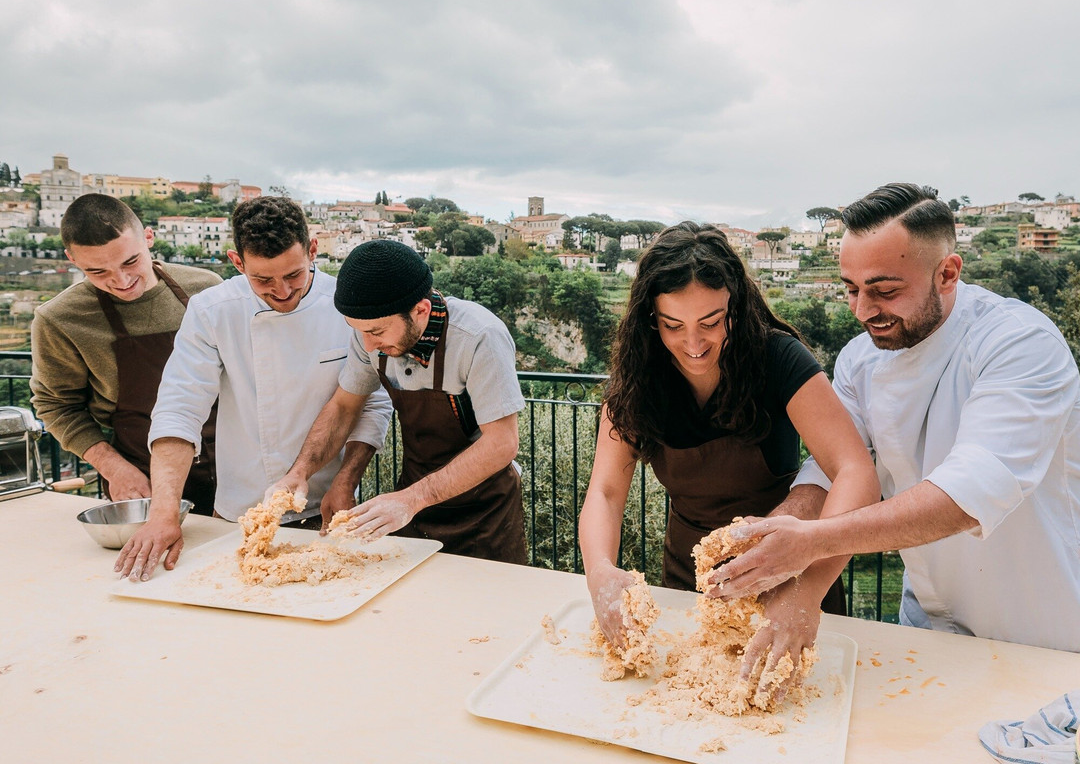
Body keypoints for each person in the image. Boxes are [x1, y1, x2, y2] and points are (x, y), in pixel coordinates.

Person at [714, 183, 1080, 653]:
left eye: (884, 291)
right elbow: (832, 470)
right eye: (851, 290)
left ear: (947, 273)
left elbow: (968, 495)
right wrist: (770, 536)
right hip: (926, 618)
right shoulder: (857, 361)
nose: (864, 311)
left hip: (1036, 629)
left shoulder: (1019, 343)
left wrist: (810, 542)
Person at [578, 222, 880, 691]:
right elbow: (605, 490)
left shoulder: (779, 359)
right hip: (690, 578)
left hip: (790, 570)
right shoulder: (640, 380)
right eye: (673, 326)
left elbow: (856, 470)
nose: (694, 345)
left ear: (734, 308)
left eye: (711, 322)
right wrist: (600, 569)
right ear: (650, 319)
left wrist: (806, 588)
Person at [114, 196, 392, 580]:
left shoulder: (346, 305)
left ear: (313, 251)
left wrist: (347, 481)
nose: (281, 291)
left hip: (330, 507)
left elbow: (371, 404)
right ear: (237, 262)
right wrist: (163, 514)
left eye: (294, 275)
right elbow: (180, 408)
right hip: (238, 512)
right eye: (262, 280)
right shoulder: (212, 311)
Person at [269, 239, 528, 564]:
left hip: (485, 511)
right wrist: (301, 472)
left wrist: (413, 498)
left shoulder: (479, 336)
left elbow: (502, 443)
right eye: (358, 331)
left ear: (420, 310)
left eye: (377, 331)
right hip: (412, 502)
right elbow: (343, 406)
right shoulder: (369, 337)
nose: (368, 345)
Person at [30, 194, 220, 514]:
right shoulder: (59, 319)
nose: (121, 280)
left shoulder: (206, 287)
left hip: (235, 470)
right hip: (142, 480)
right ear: (72, 259)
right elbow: (56, 406)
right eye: (97, 271)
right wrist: (114, 469)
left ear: (148, 237)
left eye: (130, 261)